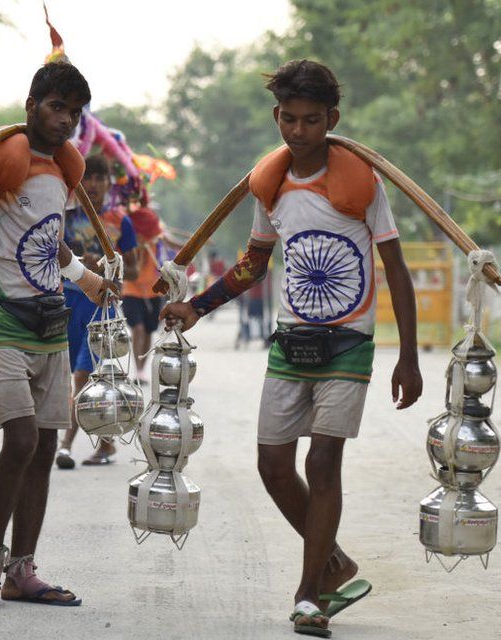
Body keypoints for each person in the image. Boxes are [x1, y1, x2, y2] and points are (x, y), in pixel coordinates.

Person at [160, 59, 423, 637]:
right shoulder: (270, 186)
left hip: (349, 344)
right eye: (289, 119)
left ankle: (310, 595)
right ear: (277, 116)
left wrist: (408, 355)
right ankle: (333, 562)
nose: (298, 132)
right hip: (290, 343)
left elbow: (396, 271)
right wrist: (197, 306)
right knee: (273, 464)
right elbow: (254, 263)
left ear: (332, 119)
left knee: (323, 460)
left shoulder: (364, 184)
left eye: (311, 121)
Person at [0, 61, 113, 608]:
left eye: (74, 113)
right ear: (31, 104)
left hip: (52, 325)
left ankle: (22, 570)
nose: (64, 121)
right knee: (20, 440)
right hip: (5, 322)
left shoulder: (63, 170)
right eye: (57, 107)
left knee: (40, 454)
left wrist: (89, 281)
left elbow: (50, 243)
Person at [56, 154, 139, 468]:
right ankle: (107, 444)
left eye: (99, 178)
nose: (92, 184)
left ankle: (65, 445)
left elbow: (134, 267)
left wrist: (109, 267)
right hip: (67, 303)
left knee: (83, 377)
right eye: (86, 178)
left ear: (108, 183)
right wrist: (81, 268)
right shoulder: (64, 217)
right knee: (82, 378)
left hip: (102, 309)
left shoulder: (120, 221)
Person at [122, 203, 166, 382]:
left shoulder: (156, 238)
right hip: (131, 291)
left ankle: (141, 371)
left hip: (153, 292)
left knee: (148, 330)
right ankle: (137, 368)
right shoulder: (128, 242)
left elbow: (171, 243)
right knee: (137, 329)